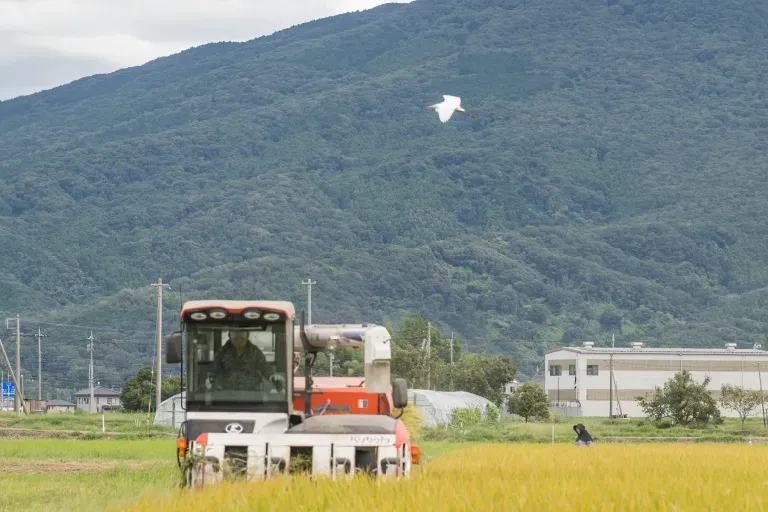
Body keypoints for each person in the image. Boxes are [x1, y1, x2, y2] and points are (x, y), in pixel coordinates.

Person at [210, 330, 277, 391]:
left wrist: (273, 378)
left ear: (247, 336)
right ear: (229, 336)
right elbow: (214, 370)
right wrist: (211, 380)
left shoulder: (255, 352)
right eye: (235, 338)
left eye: (242, 338)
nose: (238, 341)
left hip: (252, 396)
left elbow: (265, 368)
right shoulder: (222, 352)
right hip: (228, 395)